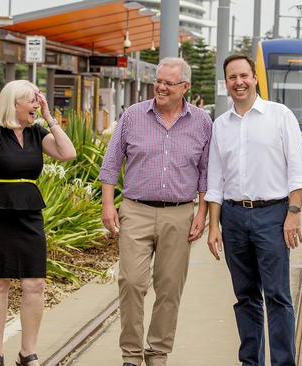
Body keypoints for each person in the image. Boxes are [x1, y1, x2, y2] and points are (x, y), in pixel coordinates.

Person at [99, 57, 212, 366]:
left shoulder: (202, 121)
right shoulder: (133, 116)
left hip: (179, 213)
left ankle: (158, 352)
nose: (161, 87)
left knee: (169, 287)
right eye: (158, 81)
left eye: (169, 82)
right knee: (132, 282)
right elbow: (110, 165)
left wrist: (202, 213)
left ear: (185, 87)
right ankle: (131, 355)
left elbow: (206, 173)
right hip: (135, 211)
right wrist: (108, 205)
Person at [0, 80, 76, 366]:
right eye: (32, 101)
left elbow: (68, 153)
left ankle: (27, 353)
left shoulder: (37, 132)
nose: (37, 104)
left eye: (38, 100)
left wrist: (49, 117)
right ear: (15, 103)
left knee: (35, 283)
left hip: (29, 211)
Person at [205, 54, 302, 366]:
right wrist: (213, 226)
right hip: (233, 218)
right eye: (232, 77)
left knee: (278, 295)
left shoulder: (280, 115)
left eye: (244, 76)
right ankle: (250, 361)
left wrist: (294, 212)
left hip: (272, 215)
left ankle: (283, 362)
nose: (239, 82)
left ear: (254, 79)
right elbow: (214, 180)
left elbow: (298, 169)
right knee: (245, 296)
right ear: (226, 83)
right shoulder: (220, 125)